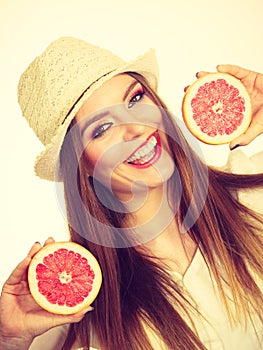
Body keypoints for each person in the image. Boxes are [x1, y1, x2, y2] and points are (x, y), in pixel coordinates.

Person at [0, 36, 263, 350]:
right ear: (80, 164)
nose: (136, 128)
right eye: (102, 128)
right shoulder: (77, 306)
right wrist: (9, 339)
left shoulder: (253, 192)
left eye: (135, 99)